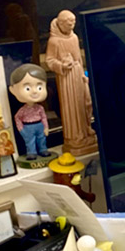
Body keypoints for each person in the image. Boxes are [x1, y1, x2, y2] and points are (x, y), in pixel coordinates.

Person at [46, 9, 98, 155]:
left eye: (73, 24)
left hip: (77, 74)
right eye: (69, 24)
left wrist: (83, 73)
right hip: (66, 78)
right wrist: (62, 66)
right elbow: (50, 61)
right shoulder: (54, 41)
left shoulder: (74, 37)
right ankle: (75, 137)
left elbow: (79, 58)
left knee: (85, 102)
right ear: (61, 24)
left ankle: (86, 130)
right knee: (72, 106)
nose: (71, 27)